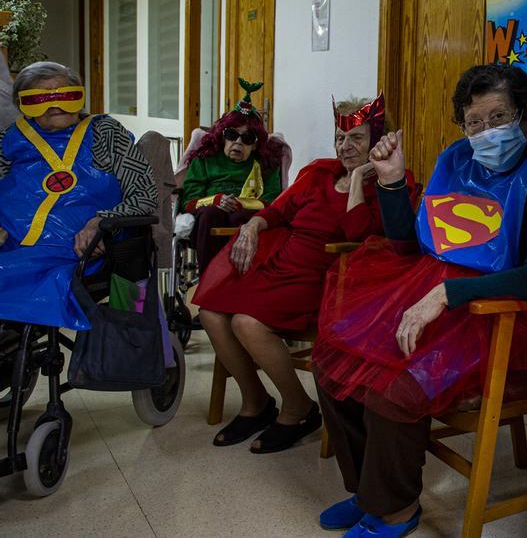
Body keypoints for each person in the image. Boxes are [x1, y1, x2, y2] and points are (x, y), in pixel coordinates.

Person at [312, 65, 527, 538]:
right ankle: (369, 492)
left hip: (497, 313)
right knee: (331, 365)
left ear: (525, 116)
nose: (487, 132)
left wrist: (449, 294)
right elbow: (410, 245)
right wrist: (389, 181)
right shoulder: (456, 161)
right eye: (475, 122)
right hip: (426, 291)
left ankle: (395, 509)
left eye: (499, 117)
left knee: (396, 387)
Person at [194, 96, 391, 454]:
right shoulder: (318, 172)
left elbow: (356, 234)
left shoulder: (390, 186)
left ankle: (299, 407)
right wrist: (253, 227)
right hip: (280, 265)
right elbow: (277, 211)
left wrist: (361, 179)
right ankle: (256, 403)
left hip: (328, 279)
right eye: (339, 137)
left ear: (379, 140)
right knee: (210, 313)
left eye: (357, 138)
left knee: (246, 323)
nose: (345, 147)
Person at [0, 61, 156, 329]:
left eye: (64, 93)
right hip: (14, 246)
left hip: (80, 252)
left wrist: (101, 222)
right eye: (41, 96)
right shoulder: (10, 138)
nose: (55, 103)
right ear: (24, 104)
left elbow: (144, 195)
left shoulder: (106, 132)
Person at [177, 84, 284, 272]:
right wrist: (216, 200)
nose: (238, 142)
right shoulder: (205, 159)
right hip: (208, 215)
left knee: (242, 218)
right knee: (211, 214)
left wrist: (242, 203)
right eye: (231, 134)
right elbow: (188, 201)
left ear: (256, 145)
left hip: (246, 215)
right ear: (222, 136)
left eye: (247, 138)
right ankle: (209, 282)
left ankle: (235, 282)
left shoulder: (266, 164)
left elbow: (272, 202)